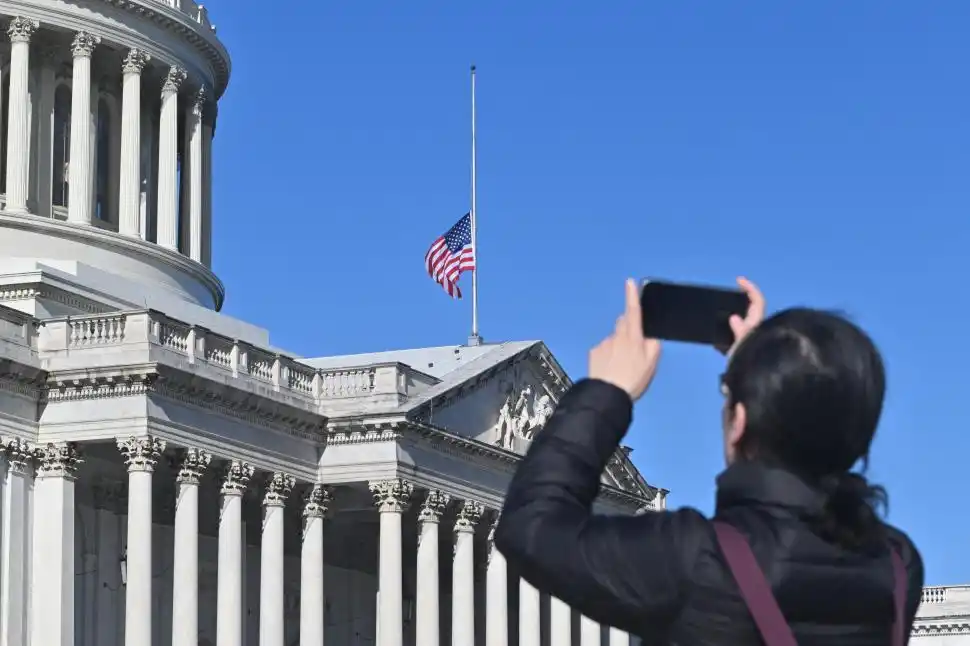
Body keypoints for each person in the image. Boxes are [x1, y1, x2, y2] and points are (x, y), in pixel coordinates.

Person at [494, 277, 924, 645]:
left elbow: (531, 526)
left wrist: (607, 390)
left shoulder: (698, 560)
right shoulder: (897, 565)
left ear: (739, 422)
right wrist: (765, 379)